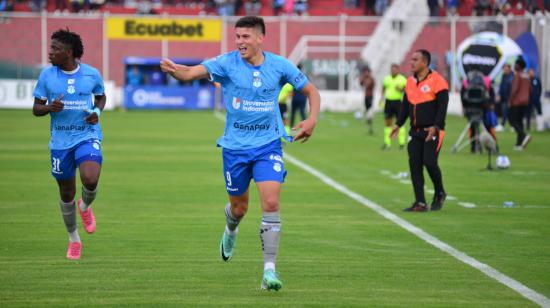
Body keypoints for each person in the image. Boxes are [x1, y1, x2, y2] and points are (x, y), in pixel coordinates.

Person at [160, 16, 320, 291]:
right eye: (237, 37)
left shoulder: (280, 65)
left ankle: (269, 271)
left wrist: (311, 119)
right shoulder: (226, 63)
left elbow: (311, 91)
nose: (240, 42)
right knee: (239, 208)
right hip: (235, 149)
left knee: (270, 203)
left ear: (260, 38)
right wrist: (175, 70)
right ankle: (231, 228)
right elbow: (189, 73)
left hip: (269, 144)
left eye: (246, 37)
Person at [32, 29, 106, 260]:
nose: (50, 52)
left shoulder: (91, 74)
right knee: (66, 193)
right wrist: (48, 108)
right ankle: (74, 238)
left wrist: (96, 111)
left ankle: (84, 206)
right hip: (60, 142)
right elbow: (36, 108)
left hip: (87, 135)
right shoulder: (47, 76)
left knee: (91, 178)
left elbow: (101, 97)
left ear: (69, 52)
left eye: (55, 48)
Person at [391, 49, 448, 212]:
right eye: (411, 59)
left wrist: (436, 127)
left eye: (415, 60)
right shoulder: (409, 82)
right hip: (415, 132)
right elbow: (406, 105)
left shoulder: (438, 81)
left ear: (425, 62)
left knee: (429, 162)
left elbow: (442, 107)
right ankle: (420, 202)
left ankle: (440, 192)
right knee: (414, 165)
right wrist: (399, 124)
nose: (412, 62)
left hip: (433, 131)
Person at [381, 64, 407, 150]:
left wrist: (401, 90)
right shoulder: (387, 79)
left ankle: (401, 143)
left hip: (398, 102)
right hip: (388, 102)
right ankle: (387, 143)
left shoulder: (402, 79)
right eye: (392, 70)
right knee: (388, 123)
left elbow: (407, 90)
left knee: (400, 123)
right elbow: (383, 87)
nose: (393, 71)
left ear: (398, 70)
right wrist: (382, 97)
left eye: (394, 70)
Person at [508, 57, 532, 150]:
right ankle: (519, 144)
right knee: (519, 122)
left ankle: (523, 135)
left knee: (512, 121)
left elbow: (514, 90)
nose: (514, 66)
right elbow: (530, 90)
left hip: (517, 102)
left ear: (519, 65)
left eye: (516, 64)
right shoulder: (526, 76)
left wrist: (510, 101)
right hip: (525, 102)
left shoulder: (517, 75)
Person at [496, 63, 513, 130]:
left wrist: (511, 98)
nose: (505, 70)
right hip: (504, 97)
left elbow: (512, 88)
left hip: (509, 98)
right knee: (505, 111)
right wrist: (499, 94)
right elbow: (501, 86)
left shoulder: (512, 76)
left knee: (508, 112)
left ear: (509, 69)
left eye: (506, 68)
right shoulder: (504, 76)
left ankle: (506, 125)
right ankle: (509, 125)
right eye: (504, 69)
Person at [359, 66, 375, 134]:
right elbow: (361, 83)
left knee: (370, 110)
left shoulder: (371, 79)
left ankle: (370, 121)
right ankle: (369, 126)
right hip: (366, 96)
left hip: (370, 96)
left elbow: (368, 85)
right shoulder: (365, 78)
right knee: (367, 110)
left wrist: (364, 80)